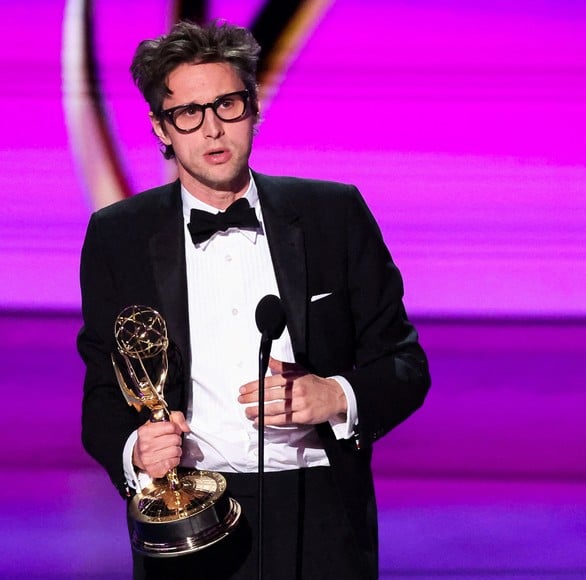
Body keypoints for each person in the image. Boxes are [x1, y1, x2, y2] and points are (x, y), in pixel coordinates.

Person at [78, 20, 430, 580]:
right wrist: (136, 454)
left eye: (228, 106)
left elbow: (406, 366)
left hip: (318, 512)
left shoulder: (332, 215)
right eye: (189, 113)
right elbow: (102, 393)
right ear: (161, 128)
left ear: (253, 108)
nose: (212, 130)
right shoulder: (118, 236)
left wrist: (334, 395)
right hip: (188, 517)